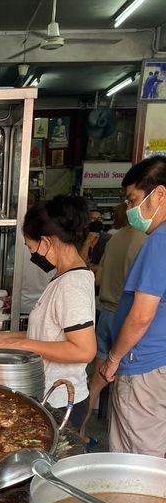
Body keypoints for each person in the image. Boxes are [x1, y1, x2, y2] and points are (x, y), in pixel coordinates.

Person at [0, 196, 96, 430]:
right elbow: (52, 333)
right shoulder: (62, 277)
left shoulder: (72, 285)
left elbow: (84, 350)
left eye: (30, 246)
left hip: (61, 400)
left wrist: (24, 346)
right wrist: (11, 338)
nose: (30, 253)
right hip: (50, 395)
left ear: (46, 242)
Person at [99, 155, 166, 457]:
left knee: (136, 457)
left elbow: (141, 315)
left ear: (160, 194)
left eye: (133, 200)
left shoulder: (159, 241)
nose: (129, 210)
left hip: (143, 366)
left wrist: (113, 359)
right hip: (158, 362)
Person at [78, 203, 146, 444]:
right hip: (125, 319)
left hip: (105, 314)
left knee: (96, 381)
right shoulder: (147, 242)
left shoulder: (114, 240)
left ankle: (80, 432)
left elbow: (98, 276)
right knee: (125, 388)